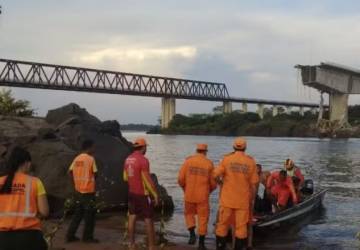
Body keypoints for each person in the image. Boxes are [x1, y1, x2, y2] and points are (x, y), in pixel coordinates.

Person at [213, 137, 259, 250]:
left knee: (222, 226)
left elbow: (214, 175)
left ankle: (220, 247)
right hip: (242, 202)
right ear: (245, 148)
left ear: (233, 147)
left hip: (227, 200)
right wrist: (252, 199)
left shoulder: (226, 159)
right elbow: (255, 183)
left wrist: (221, 183)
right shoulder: (250, 161)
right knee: (241, 228)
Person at [0, 147, 49, 250]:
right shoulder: (35, 182)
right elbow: (44, 211)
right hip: (30, 237)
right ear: (27, 163)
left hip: (3, 238)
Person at [178, 144, 217, 250]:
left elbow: (180, 179)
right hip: (202, 196)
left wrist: (185, 189)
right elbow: (213, 183)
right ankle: (201, 244)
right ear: (205, 152)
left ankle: (191, 235)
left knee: (189, 214)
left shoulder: (188, 161)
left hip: (189, 194)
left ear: (197, 150)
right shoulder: (209, 163)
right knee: (203, 218)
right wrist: (209, 191)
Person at [123, 137, 159, 250]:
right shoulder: (143, 160)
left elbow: (124, 177)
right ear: (143, 148)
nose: (146, 149)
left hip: (131, 193)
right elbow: (147, 180)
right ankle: (151, 246)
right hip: (142, 195)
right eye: (145, 147)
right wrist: (156, 195)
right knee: (148, 219)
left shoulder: (128, 159)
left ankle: (131, 244)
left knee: (132, 217)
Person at [66, 139, 99, 243]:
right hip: (88, 192)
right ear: (89, 147)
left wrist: (75, 183)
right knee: (90, 215)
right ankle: (87, 237)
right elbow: (95, 173)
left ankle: (70, 235)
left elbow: (69, 172)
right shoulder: (91, 159)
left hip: (78, 191)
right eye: (93, 147)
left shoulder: (76, 159)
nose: (94, 149)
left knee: (78, 214)